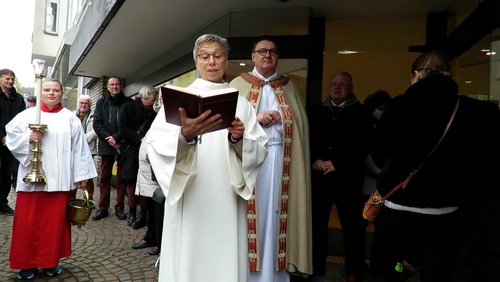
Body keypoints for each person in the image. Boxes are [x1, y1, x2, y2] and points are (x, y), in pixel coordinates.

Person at [146, 33, 268, 282]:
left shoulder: (241, 104)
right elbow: (155, 145)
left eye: (217, 56)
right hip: (190, 194)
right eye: (205, 56)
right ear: (196, 62)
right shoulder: (179, 99)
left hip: (226, 194)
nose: (211, 61)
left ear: (226, 61)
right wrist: (184, 136)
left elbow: (259, 148)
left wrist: (238, 139)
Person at [369, 50, 500, 282]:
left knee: (386, 268)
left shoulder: (397, 107)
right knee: (437, 271)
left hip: (398, 205)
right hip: (445, 210)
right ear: (448, 76)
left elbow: (379, 157)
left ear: (416, 75)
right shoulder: (477, 111)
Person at [229, 37, 312, 281]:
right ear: (252, 56)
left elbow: (299, 124)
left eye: (273, 52)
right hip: (249, 162)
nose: (268, 55)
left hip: (282, 160)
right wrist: (257, 117)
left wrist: (283, 120)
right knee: (250, 214)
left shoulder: (289, 86)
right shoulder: (237, 85)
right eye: (262, 51)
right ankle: (245, 272)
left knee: (277, 213)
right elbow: (228, 126)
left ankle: (275, 274)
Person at [6, 78, 97, 280]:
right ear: (40, 92)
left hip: (60, 180)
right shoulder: (26, 116)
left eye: (56, 90)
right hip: (32, 181)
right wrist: (28, 137)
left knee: (53, 225)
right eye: (47, 89)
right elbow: (11, 138)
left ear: (61, 93)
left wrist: (82, 176)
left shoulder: (70, 119)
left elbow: (80, 149)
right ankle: (26, 264)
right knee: (27, 224)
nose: (51, 93)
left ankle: (50, 262)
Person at [309, 71, 373, 282]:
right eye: (334, 84)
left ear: (351, 88)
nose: (337, 88)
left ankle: (353, 271)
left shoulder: (362, 113)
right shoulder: (316, 112)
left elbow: (363, 146)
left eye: (343, 85)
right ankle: (316, 269)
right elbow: (306, 140)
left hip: (348, 180)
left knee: (352, 229)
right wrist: (315, 160)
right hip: (320, 179)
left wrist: (337, 163)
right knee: (317, 227)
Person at [92, 76, 132, 221]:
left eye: (117, 84)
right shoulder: (101, 102)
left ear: (121, 86)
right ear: (108, 87)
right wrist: (109, 138)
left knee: (122, 177)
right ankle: (103, 207)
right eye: (112, 85)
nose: (115, 87)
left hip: (122, 145)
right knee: (104, 177)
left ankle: (119, 208)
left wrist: (117, 138)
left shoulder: (129, 103)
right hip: (106, 145)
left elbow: (130, 124)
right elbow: (97, 124)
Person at [118, 86, 158, 227]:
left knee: (145, 183)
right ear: (142, 97)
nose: (150, 102)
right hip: (131, 149)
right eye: (148, 99)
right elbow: (123, 128)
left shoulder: (154, 115)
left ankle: (143, 214)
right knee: (131, 182)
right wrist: (139, 139)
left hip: (146, 151)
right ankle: (132, 212)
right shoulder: (127, 108)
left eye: (152, 100)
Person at [131, 133, 164, 255]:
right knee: (151, 210)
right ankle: (152, 238)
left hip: (155, 174)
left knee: (157, 211)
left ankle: (157, 241)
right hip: (148, 173)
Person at [0, 68, 26, 215]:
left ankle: (2, 202)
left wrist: (15, 138)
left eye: (12, 79)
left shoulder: (18, 98)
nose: (10, 81)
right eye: (6, 78)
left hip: (11, 141)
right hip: (2, 138)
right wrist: (2, 137)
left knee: (7, 173)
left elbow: (22, 119)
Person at [362, 90, 392, 201]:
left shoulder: (386, 126)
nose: (383, 112)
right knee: (369, 214)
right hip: (370, 183)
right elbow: (365, 152)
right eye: (380, 108)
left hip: (380, 183)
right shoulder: (367, 126)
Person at [76, 94, 98, 200]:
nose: (83, 105)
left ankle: (89, 199)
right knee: (74, 175)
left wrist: (84, 138)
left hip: (89, 149)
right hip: (74, 150)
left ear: (90, 105)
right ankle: (72, 199)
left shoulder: (95, 115)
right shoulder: (72, 115)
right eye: (81, 103)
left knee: (88, 176)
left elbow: (97, 130)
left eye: (86, 103)